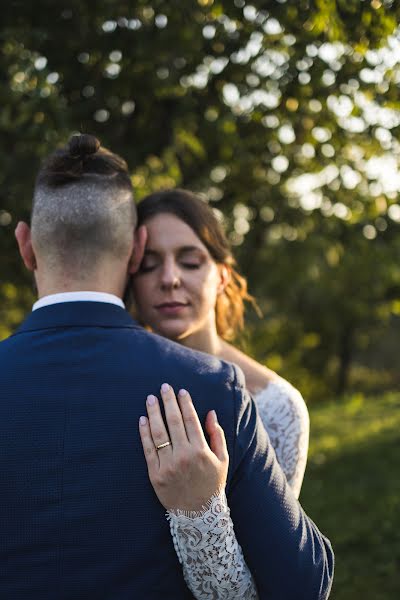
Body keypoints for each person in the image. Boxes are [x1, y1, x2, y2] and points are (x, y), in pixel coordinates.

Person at [0, 134, 333, 599]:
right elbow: (302, 584)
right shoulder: (211, 389)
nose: (170, 279)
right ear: (136, 252)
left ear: (25, 245)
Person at [131, 188, 309, 499]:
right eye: (149, 264)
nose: (170, 278)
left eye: (190, 261)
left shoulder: (277, 406)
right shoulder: (112, 381)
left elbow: (275, 544)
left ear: (223, 276)